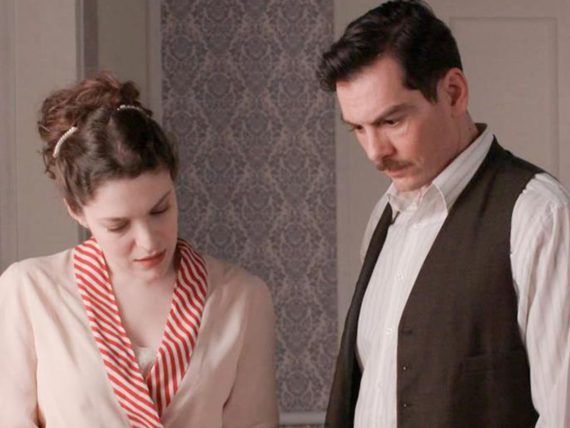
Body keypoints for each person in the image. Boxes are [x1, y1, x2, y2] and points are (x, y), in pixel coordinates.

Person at [317, 1, 570, 427]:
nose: (375, 152)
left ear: (453, 92)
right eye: (358, 128)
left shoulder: (539, 216)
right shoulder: (385, 215)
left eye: (391, 121)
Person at [0, 72, 278, 427]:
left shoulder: (241, 297)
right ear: (75, 210)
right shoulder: (30, 291)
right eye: (118, 226)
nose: (148, 241)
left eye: (160, 210)